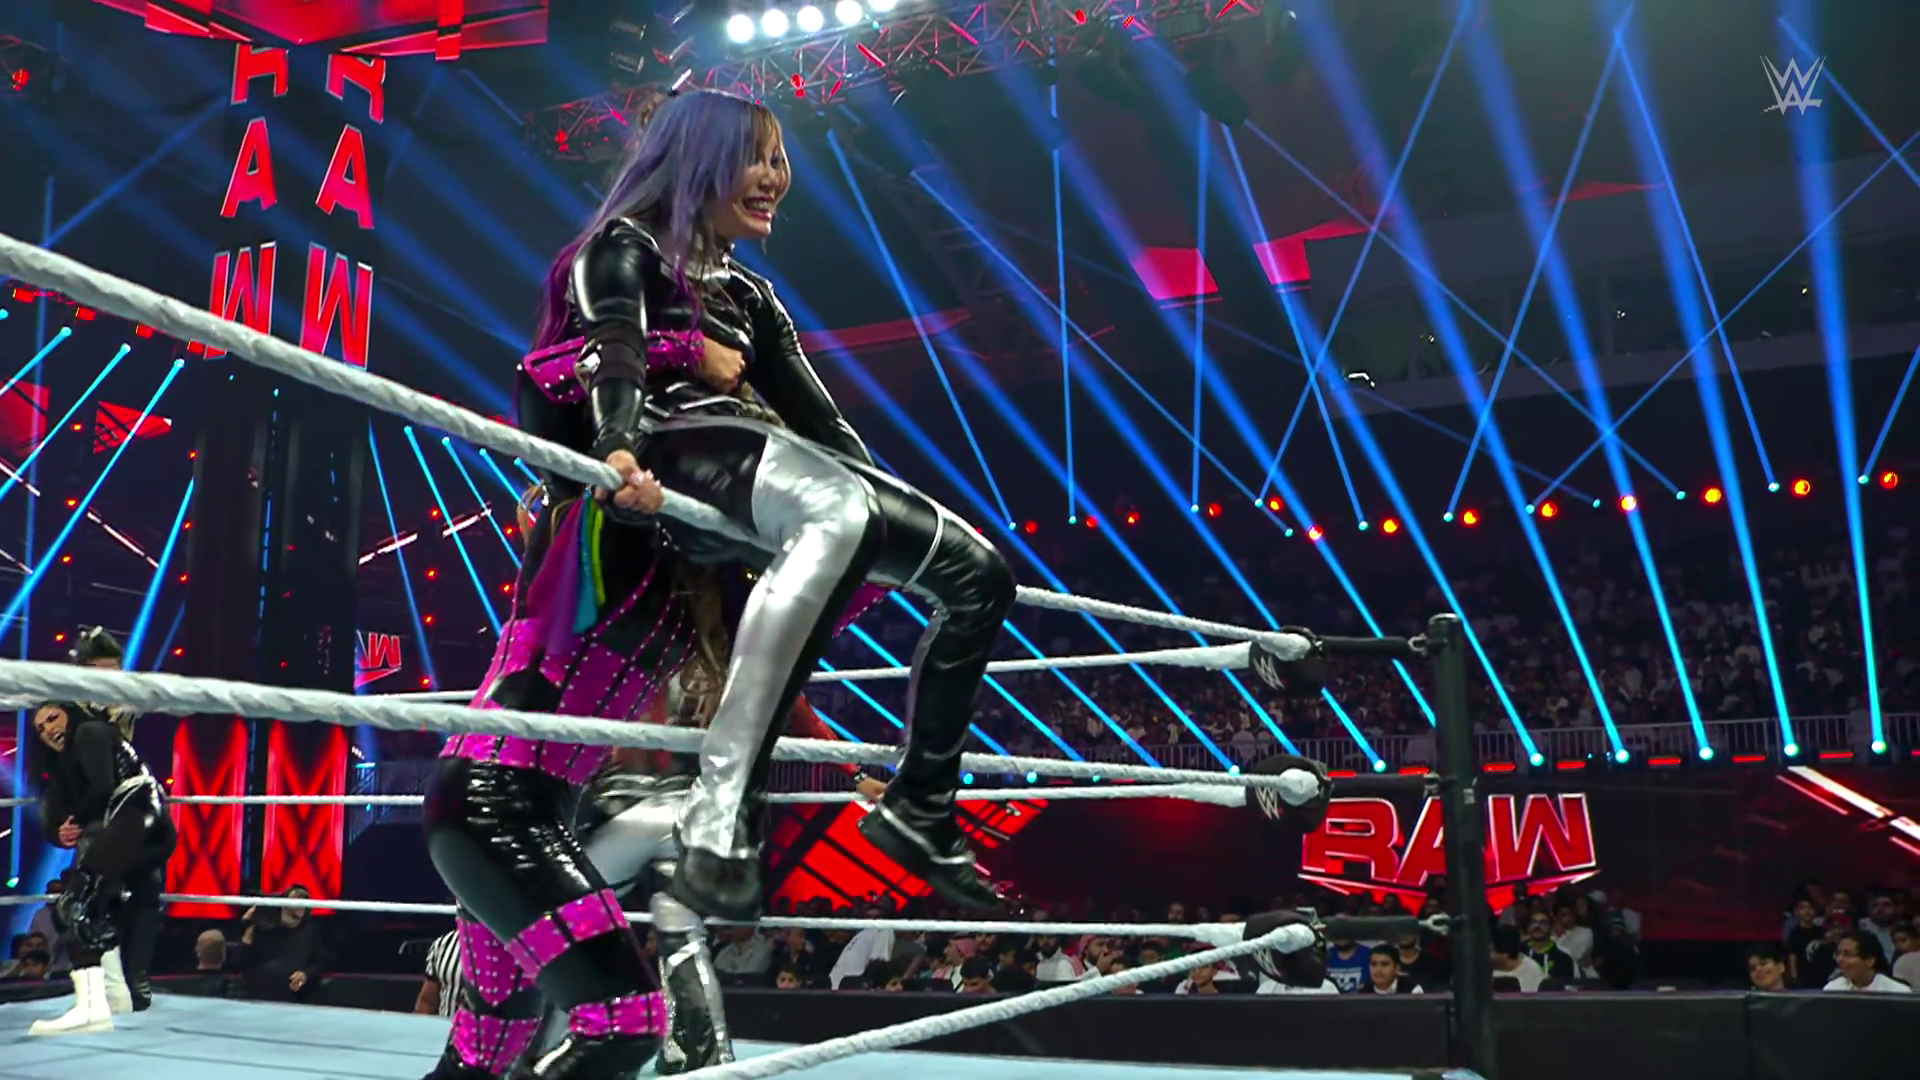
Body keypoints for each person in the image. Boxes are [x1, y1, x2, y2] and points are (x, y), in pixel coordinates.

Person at [25, 695, 175, 1035]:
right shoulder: (64, 762)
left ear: (70, 713)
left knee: (80, 902)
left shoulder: (89, 731)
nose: (48, 729)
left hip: (138, 817)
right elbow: (55, 809)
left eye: (52, 718)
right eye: (41, 728)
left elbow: (102, 789)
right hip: (135, 826)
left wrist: (75, 821)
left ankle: (96, 1006)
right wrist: (61, 828)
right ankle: (109, 999)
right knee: (92, 906)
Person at [238, 885, 327, 1002]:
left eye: (303, 902)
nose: (300, 905)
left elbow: (320, 963)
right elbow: (239, 962)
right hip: (258, 994)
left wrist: (305, 974)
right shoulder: (265, 928)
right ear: (284, 904)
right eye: (296, 900)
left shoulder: (309, 931)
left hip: (290, 997)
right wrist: (250, 925)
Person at [1822, 930, 1911, 994]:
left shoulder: (1897, 991)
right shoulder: (1832, 988)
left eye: (1848, 954)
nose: (1839, 959)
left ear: (1870, 960)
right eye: (1838, 954)